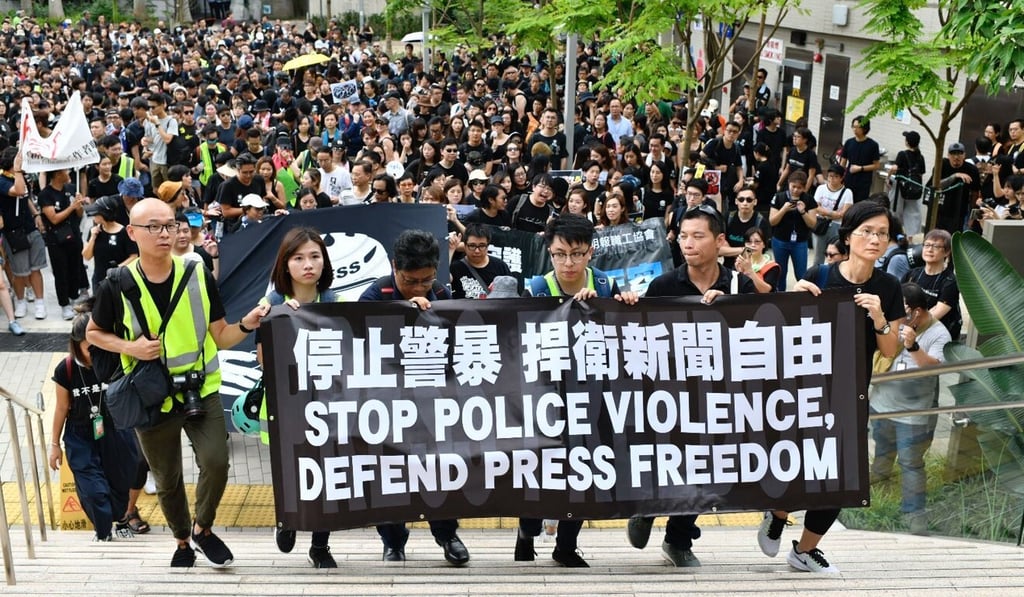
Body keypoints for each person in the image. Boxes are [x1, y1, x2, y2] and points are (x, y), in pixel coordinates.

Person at [86, 198, 270, 568]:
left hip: (199, 389)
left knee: (217, 462)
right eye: (153, 226)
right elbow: (93, 333)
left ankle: (203, 528)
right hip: (149, 396)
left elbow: (220, 335)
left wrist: (247, 323)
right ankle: (183, 539)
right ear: (132, 233)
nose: (165, 233)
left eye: (169, 224)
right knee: (167, 480)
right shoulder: (117, 283)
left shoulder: (198, 273)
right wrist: (131, 347)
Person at [758, 200, 904, 573]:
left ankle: (804, 551)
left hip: (850, 397)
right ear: (849, 235)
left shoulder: (888, 286)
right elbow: (781, 337)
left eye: (882, 234)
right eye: (867, 232)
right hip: (806, 396)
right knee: (799, 467)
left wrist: (878, 317)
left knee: (842, 477)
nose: (875, 239)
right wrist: (793, 299)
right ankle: (777, 512)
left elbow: (889, 350)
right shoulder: (820, 276)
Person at [629, 205, 758, 567]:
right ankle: (647, 507)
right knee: (666, 461)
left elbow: (764, 332)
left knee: (708, 466)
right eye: (683, 236)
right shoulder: (664, 285)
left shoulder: (739, 285)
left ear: (720, 242)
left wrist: (730, 308)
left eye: (698, 236)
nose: (688, 243)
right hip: (672, 394)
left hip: (719, 396)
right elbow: (641, 335)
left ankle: (679, 539)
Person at [520, 214, 638, 566]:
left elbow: (624, 336)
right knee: (539, 470)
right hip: (547, 398)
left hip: (592, 398)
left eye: (576, 253)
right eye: (559, 254)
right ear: (549, 252)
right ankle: (526, 533)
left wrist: (625, 304)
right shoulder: (536, 289)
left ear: (591, 252)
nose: (567, 263)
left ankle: (565, 546)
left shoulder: (604, 286)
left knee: (584, 469)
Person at [358, 229, 470, 566]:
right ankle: (393, 541)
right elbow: (363, 351)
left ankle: (447, 534)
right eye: (411, 280)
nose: (420, 287)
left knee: (439, 470)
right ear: (395, 267)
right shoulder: (373, 296)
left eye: (426, 279)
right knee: (389, 473)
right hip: (387, 404)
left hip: (431, 404)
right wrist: (405, 312)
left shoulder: (441, 292)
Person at [252, 227, 339, 568]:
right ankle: (286, 518)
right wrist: (282, 319)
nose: (308, 265)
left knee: (328, 472)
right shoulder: (269, 304)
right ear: (285, 264)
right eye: (299, 258)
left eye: (315, 256)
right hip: (287, 404)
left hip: (329, 404)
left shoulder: (336, 303)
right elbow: (263, 357)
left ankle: (320, 545)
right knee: (290, 469)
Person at [49, 308, 142, 542]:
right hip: (80, 433)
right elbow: (61, 408)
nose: (95, 352)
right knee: (94, 490)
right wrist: (54, 444)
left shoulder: (115, 360)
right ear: (77, 344)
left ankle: (121, 518)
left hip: (115, 428)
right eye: (89, 347)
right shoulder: (66, 369)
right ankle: (103, 533)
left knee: (121, 477)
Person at [870, 281, 951, 535]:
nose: (897, 316)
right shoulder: (893, 323)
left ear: (915, 312)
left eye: (900, 311)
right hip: (882, 404)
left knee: (911, 462)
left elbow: (935, 368)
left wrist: (913, 345)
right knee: (882, 451)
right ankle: (876, 492)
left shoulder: (939, 334)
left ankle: (914, 514)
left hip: (914, 414)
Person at [0, 147, 48, 321]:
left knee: (36, 269)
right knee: (20, 272)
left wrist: (36, 214)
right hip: (13, 233)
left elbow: (25, 197)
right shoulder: (2, 180)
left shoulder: (20, 177)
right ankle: (20, 301)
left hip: (30, 229)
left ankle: (40, 303)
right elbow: (18, 191)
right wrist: (18, 170)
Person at [38, 169, 89, 320]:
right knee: (61, 271)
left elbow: (79, 214)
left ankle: (75, 297)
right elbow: (53, 218)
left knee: (76, 268)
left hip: (74, 236)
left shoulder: (72, 189)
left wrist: (78, 205)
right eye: (65, 171)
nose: (68, 173)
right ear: (57, 174)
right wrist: (72, 207)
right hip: (56, 240)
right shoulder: (45, 195)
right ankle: (64, 304)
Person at [902, 228, 962, 340]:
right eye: (927, 245)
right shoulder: (911, 274)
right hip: (908, 329)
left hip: (935, 336)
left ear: (947, 252)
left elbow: (935, 314)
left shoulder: (950, 282)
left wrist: (907, 324)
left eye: (936, 247)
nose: (929, 250)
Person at [768, 171, 818, 290]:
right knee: (780, 273)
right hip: (780, 240)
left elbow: (812, 223)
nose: (795, 190)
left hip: (800, 242)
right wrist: (784, 209)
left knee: (801, 274)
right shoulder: (779, 197)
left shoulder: (809, 200)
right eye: (793, 186)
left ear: (804, 188)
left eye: (799, 187)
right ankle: (781, 299)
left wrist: (803, 212)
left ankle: (802, 299)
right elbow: (772, 221)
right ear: (789, 184)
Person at [82, 196, 139, 295]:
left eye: (96, 213)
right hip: (99, 280)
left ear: (104, 214)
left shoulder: (124, 232)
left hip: (119, 280)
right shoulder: (95, 231)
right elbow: (86, 256)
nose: (93, 215)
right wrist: (93, 237)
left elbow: (134, 256)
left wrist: (116, 270)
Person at [450, 224, 514, 299]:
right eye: (472, 246)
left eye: (482, 246)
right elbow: (442, 283)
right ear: (465, 245)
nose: (477, 251)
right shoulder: (455, 268)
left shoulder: (500, 266)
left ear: (488, 246)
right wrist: (451, 249)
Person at [812, 165, 854, 266]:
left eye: (835, 176)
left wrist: (825, 212)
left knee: (835, 254)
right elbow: (815, 207)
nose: (832, 179)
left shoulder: (847, 192)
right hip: (820, 224)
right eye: (830, 176)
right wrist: (832, 213)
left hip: (837, 226)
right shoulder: (821, 188)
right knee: (818, 255)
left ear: (841, 177)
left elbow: (844, 213)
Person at [840, 115, 881, 202]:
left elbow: (876, 165)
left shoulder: (873, 145)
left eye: (858, 127)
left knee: (859, 205)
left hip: (863, 182)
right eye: (853, 127)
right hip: (849, 179)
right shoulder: (849, 142)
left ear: (865, 128)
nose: (855, 129)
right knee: (846, 203)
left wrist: (861, 168)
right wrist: (840, 176)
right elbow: (843, 162)